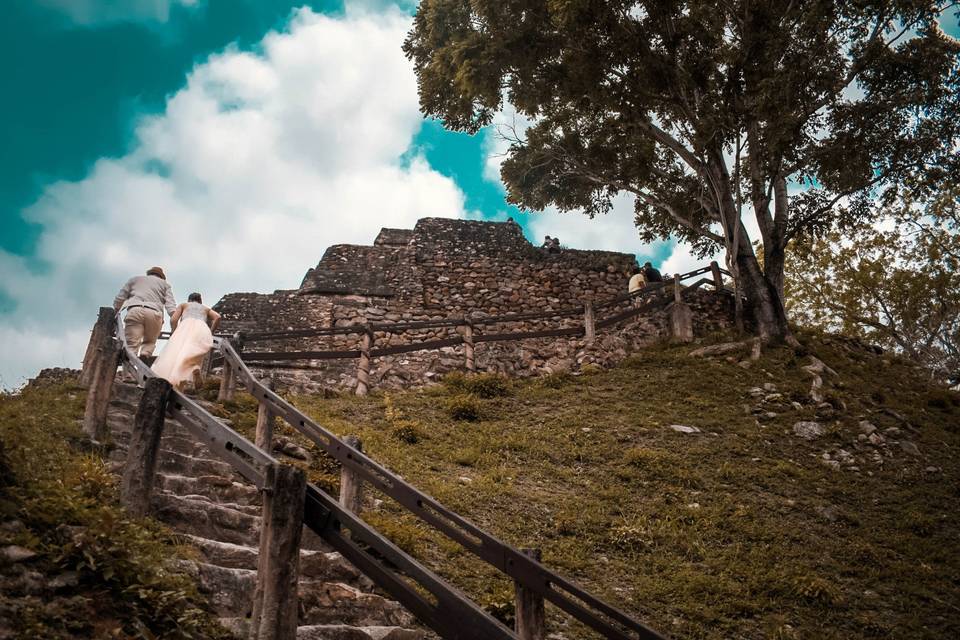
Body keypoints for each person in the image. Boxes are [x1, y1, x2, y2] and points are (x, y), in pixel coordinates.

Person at [152, 292, 221, 388]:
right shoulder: (205, 308)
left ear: (189, 300)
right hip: (201, 329)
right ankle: (194, 368)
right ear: (200, 301)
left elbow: (173, 320)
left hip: (185, 327)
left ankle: (174, 380)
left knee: (177, 353)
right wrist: (211, 332)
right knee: (192, 351)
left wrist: (174, 332)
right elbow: (218, 317)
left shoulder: (184, 305)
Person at [113, 267, 177, 359]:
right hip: (154, 313)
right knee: (150, 342)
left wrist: (115, 311)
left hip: (135, 310)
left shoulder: (135, 280)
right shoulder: (165, 284)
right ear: (162, 277)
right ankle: (145, 355)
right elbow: (171, 306)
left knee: (131, 345)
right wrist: (176, 321)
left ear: (149, 273)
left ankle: (128, 372)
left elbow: (120, 298)